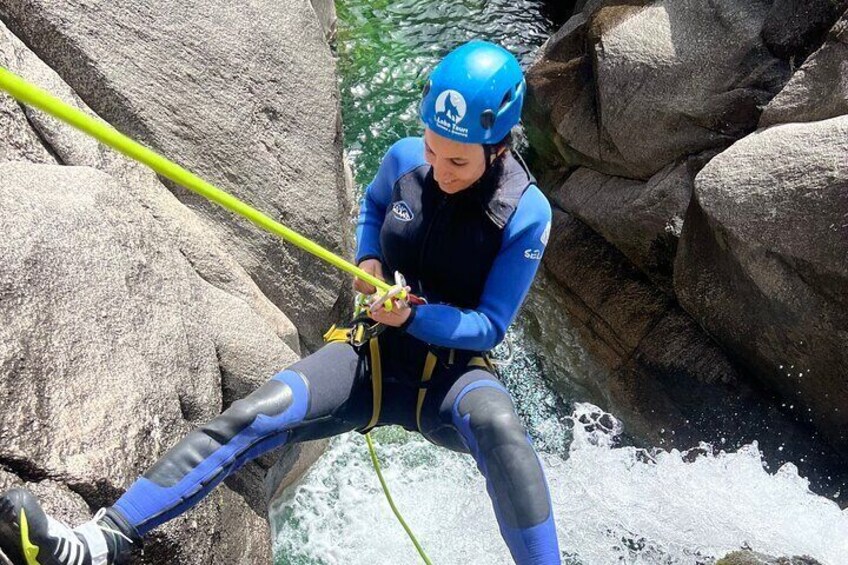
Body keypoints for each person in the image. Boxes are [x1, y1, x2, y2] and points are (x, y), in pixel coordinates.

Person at [0, 39, 558, 565]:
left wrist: (415, 315)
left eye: (457, 162)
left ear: (500, 146)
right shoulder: (403, 159)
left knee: (504, 435)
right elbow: (373, 207)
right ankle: (97, 545)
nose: (438, 169)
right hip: (378, 357)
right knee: (256, 414)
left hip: (452, 376)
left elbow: (488, 326)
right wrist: (368, 264)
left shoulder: (525, 214)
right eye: (433, 149)